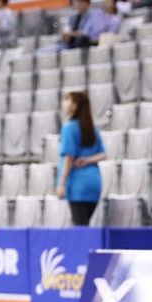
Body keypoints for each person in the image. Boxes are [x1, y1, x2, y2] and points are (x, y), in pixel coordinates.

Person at [56, 92, 107, 226]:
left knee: (79, 227)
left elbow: (68, 157)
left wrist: (62, 183)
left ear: (75, 105)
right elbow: (103, 154)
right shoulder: (91, 129)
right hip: (94, 183)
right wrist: (88, 160)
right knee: (84, 225)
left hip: (77, 184)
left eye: (67, 100)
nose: (64, 103)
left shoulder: (68, 127)